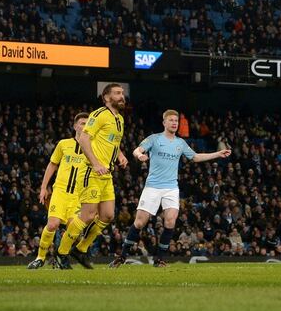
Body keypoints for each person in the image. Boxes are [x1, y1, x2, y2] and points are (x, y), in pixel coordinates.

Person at [110, 110, 231, 268]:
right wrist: (140, 156)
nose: (174, 123)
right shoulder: (154, 138)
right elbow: (137, 150)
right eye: (171, 120)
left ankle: (159, 259)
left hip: (171, 188)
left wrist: (217, 154)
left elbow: (195, 157)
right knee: (140, 223)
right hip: (152, 187)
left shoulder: (180, 143)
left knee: (170, 221)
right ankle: (122, 256)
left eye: (176, 121)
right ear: (164, 123)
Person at [55, 84, 128, 269]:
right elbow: (85, 139)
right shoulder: (98, 115)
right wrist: (95, 163)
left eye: (122, 93)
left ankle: (80, 249)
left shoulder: (119, 118)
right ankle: (61, 253)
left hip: (107, 174)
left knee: (108, 215)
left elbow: (111, 142)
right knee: (87, 216)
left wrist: (120, 154)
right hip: (91, 171)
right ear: (106, 98)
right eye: (117, 93)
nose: (122, 96)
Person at [27, 112, 89, 269]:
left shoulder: (92, 147)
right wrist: (43, 188)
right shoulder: (64, 144)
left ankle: (62, 257)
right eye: (81, 123)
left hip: (77, 195)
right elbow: (52, 164)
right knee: (53, 224)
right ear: (75, 126)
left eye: (87, 123)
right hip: (60, 192)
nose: (84, 126)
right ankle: (40, 257)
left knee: (74, 230)